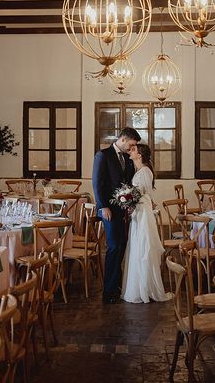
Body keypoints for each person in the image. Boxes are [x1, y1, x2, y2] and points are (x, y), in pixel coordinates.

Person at [92, 127, 141, 304]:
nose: (132, 148)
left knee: (121, 245)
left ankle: (117, 286)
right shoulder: (103, 155)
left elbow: (129, 183)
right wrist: (103, 206)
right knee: (113, 246)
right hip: (108, 210)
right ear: (123, 139)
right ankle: (108, 291)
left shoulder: (127, 159)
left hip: (123, 210)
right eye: (131, 144)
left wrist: (130, 204)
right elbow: (97, 183)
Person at [121, 144, 171, 303]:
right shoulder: (143, 171)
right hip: (141, 212)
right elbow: (143, 194)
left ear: (140, 155)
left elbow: (139, 195)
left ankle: (144, 287)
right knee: (139, 245)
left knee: (143, 246)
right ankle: (140, 286)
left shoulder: (143, 172)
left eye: (134, 150)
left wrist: (127, 200)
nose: (131, 151)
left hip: (142, 213)